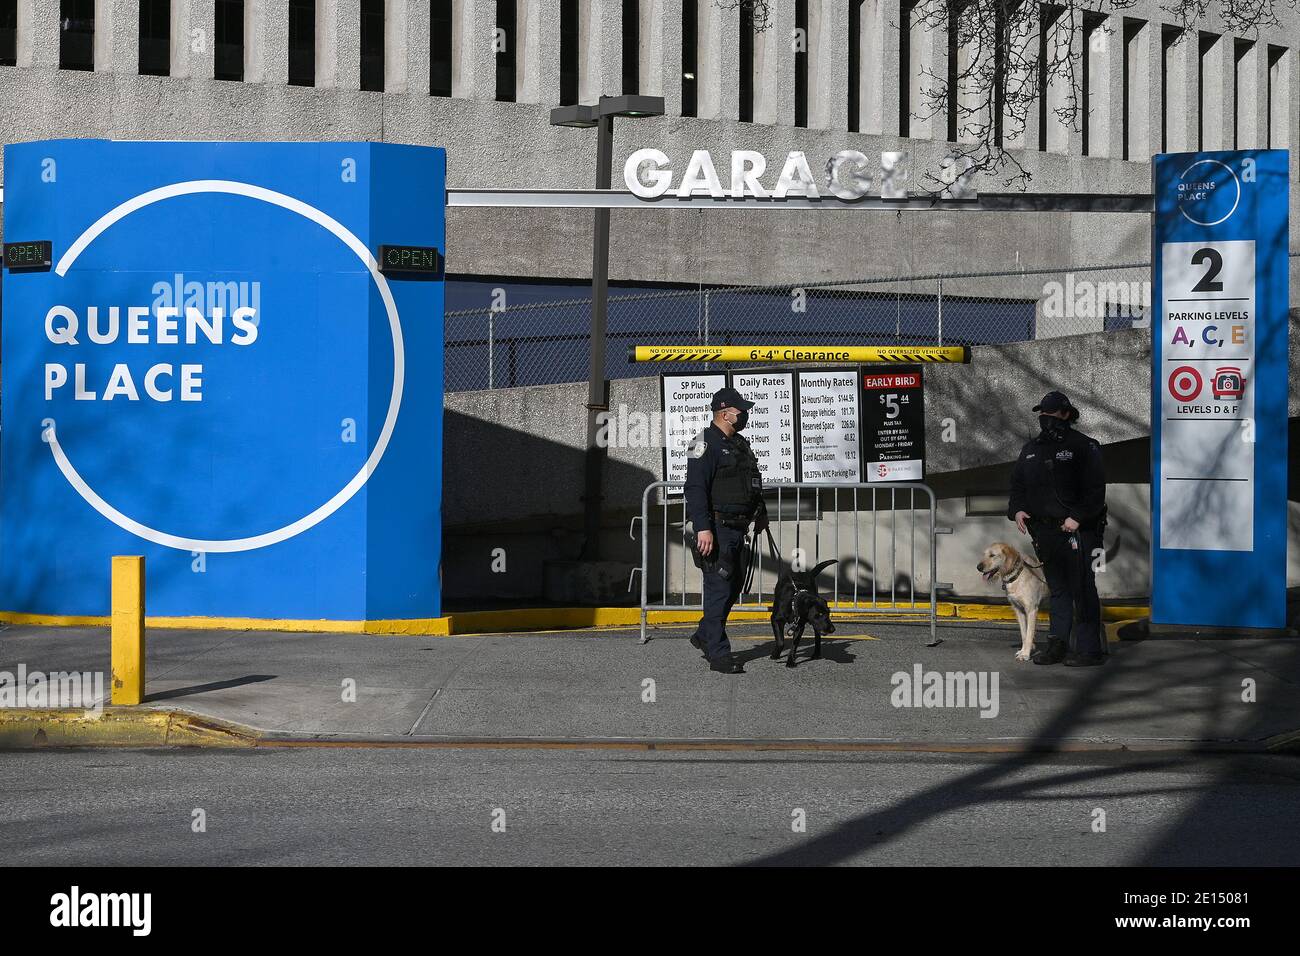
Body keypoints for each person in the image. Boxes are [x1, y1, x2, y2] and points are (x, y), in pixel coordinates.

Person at [1007, 390, 1108, 666]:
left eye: (1051, 413)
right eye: (1042, 414)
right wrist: (1017, 509)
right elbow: (1017, 485)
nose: (1045, 418)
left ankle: (1089, 649)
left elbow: (1095, 489)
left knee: (1083, 588)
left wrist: (1078, 516)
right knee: (1059, 589)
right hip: (1046, 532)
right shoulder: (1031, 450)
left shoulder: (1084, 446)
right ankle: (1057, 644)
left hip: (1079, 530)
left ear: (1066, 414)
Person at [683, 386, 769, 674]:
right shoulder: (703, 443)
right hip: (717, 529)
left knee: (733, 588)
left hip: (739, 528)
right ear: (724, 412)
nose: (744, 414)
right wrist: (703, 528)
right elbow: (695, 488)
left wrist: (761, 513)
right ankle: (718, 654)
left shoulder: (740, 445)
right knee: (718, 590)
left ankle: (705, 634)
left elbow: (751, 482)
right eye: (740, 410)